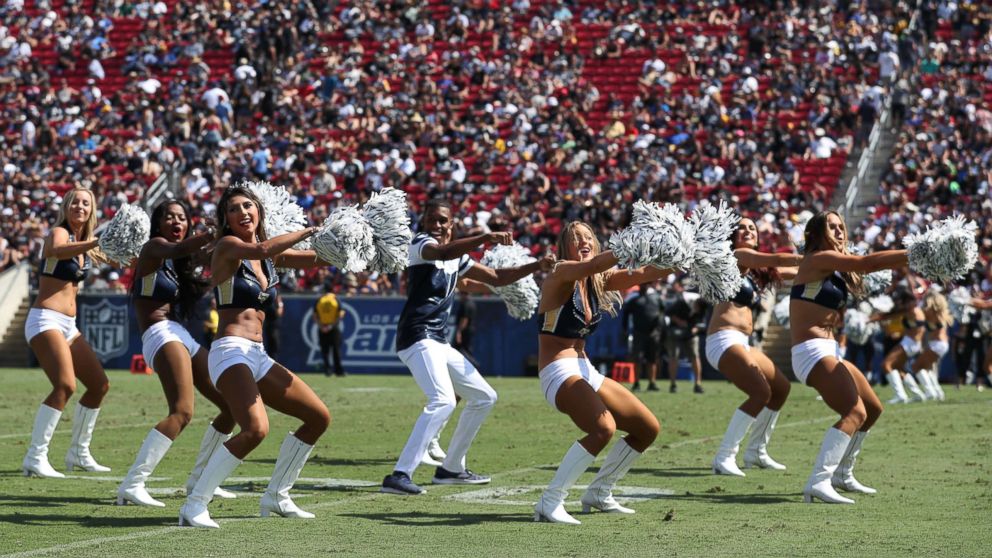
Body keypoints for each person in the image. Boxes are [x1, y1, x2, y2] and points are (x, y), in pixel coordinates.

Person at [179, 185, 331, 528]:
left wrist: (352, 243)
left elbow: (320, 258)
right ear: (226, 220)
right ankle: (195, 503)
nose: (243, 212)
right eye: (234, 209)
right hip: (230, 352)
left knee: (318, 417)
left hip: (258, 355)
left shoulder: (271, 259)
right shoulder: (229, 246)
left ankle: (277, 495)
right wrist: (308, 231)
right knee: (255, 428)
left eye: (248, 206)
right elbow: (263, 246)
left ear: (260, 211)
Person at [380, 199, 553, 496]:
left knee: (485, 396)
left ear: (452, 224)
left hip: (437, 340)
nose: (436, 225)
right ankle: (399, 474)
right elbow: (444, 251)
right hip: (417, 336)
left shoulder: (457, 258)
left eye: (442, 220)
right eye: (431, 220)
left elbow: (498, 278)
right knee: (443, 400)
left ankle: (451, 468)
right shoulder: (421, 244)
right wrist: (484, 238)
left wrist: (537, 265)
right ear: (423, 223)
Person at [533, 221, 669, 525]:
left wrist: (681, 256)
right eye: (575, 239)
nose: (583, 241)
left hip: (586, 369)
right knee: (603, 428)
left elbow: (647, 273)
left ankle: (599, 491)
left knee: (647, 428)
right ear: (564, 247)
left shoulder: (598, 279)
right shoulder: (561, 272)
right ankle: (549, 501)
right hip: (557, 370)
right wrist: (630, 243)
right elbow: (595, 262)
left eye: (588, 238)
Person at [117, 200, 237, 507]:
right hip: (159, 333)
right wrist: (218, 230)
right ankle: (133, 483)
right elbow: (177, 249)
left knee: (231, 406)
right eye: (169, 216)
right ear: (158, 224)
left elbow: (213, 256)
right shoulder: (154, 248)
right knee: (182, 411)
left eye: (182, 217)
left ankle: (200, 479)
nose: (176, 221)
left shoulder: (180, 260)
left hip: (178, 333)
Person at [790, 211, 907, 504]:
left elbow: (862, 268)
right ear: (815, 234)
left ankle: (843, 474)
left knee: (873, 408)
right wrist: (917, 251)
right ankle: (819, 481)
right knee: (855, 413)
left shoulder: (832, 267)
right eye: (832, 227)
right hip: (811, 351)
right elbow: (867, 263)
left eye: (842, 226)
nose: (840, 231)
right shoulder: (818, 258)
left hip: (828, 350)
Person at [22, 187, 111, 478]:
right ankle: (35, 456)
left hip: (69, 326)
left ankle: (78, 453)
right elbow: (57, 251)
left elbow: (117, 260)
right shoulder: (59, 233)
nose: (80, 207)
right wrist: (96, 242)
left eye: (86, 203)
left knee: (99, 385)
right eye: (75, 202)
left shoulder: (85, 243)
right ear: (66, 206)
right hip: (45, 319)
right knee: (65, 385)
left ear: (91, 210)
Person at [709, 217, 801, 476]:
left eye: (752, 228)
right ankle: (724, 456)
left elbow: (794, 273)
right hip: (722, 339)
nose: (747, 231)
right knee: (760, 392)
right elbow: (778, 261)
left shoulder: (756, 273)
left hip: (743, 342)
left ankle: (756, 451)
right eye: (742, 228)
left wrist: (827, 267)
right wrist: (810, 259)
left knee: (781, 388)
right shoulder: (736, 258)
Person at [881, 288, 928, 403]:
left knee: (886, 365)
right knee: (898, 368)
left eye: (901, 301)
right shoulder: (917, 310)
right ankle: (918, 394)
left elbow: (892, 314)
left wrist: (874, 317)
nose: (899, 304)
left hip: (909, 342)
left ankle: (900, 395)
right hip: (914, 344)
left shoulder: (912, 310)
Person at [664, 280, 705, 393]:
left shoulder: (704, 304)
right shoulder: (681, 300)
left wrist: (696, 328)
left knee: (695, 356)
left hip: (691, 333)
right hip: (675, 331)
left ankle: (698, 384)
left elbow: (703, 321)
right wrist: (679, 321)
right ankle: (673, 384)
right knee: (674, 356)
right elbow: (667, 312)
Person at [910, 290, 952, 400]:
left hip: (937, 344)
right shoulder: (941, 312)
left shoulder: (930, 312)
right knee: (927, 368)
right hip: (942, 344)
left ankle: (930, 392)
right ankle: (938, 392)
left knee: (916, 366)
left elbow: (918, 316)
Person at [621, 282, 663, 392]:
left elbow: (662, 313)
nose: (644, 285)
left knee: (652, 358)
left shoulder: (656, 297)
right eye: (642, 284)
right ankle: (636, 382)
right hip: (638, 333)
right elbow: (625, 314)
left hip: (653, 333)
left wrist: (659, 328)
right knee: (637, 358)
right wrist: (625, 329)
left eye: (646, 284)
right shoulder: (634, 298)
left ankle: (652, 383)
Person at [313, 285, 345, 376]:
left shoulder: (320, 300)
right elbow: (341, 314)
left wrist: (321, 326)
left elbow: (315, 315)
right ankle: (338, 371)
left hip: (322, 327)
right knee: (336, 350)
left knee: (325, 351)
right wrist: (331, 326)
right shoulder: (335, 299)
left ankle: (327, 370)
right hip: (333, 327)